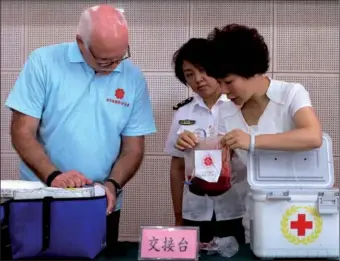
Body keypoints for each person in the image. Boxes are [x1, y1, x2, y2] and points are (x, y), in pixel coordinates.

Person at [5, 4, 156, 253]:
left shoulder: (133, 78)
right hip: (42, 201)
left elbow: (133, 148)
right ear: (80, 42)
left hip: (101, 203)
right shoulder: (43, 62)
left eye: (121, 57)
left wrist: (112, 185)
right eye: (105, 60)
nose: (114, 65)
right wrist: (54, 177)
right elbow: (22, 132)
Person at [175, 24, 323, 242]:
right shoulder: (227, 112)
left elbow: (312, 136)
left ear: (251, 70)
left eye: (228, 82)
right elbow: (219, 166)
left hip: (300, 210)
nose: (224, 91)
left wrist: (252, 141)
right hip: (255, 216)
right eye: (220, 83)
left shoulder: (291, 93)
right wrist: (192, 146)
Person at [164, 38, 247, 245]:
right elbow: (177, 168)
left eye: (203, 70)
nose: (198, 79)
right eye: (189, 74)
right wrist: (178, 216)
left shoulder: (240, 107)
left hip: (236, 209)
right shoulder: (183, 113)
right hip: (195, 211)